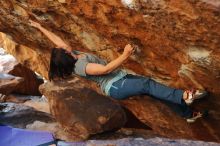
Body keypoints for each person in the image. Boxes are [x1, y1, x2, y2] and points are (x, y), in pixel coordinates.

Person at [29, 20, 208, 123]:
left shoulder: (72, 53)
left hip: (120, 79)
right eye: (64, 49)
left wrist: (39, 27)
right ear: (66, 56)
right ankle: (184, 96)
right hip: (115, 86)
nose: (64, 46)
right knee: (147, 84)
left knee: (153, 91)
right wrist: (125, 54)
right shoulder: (81, 66)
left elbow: (56, 40)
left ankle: (187, 114)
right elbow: (106, 69)